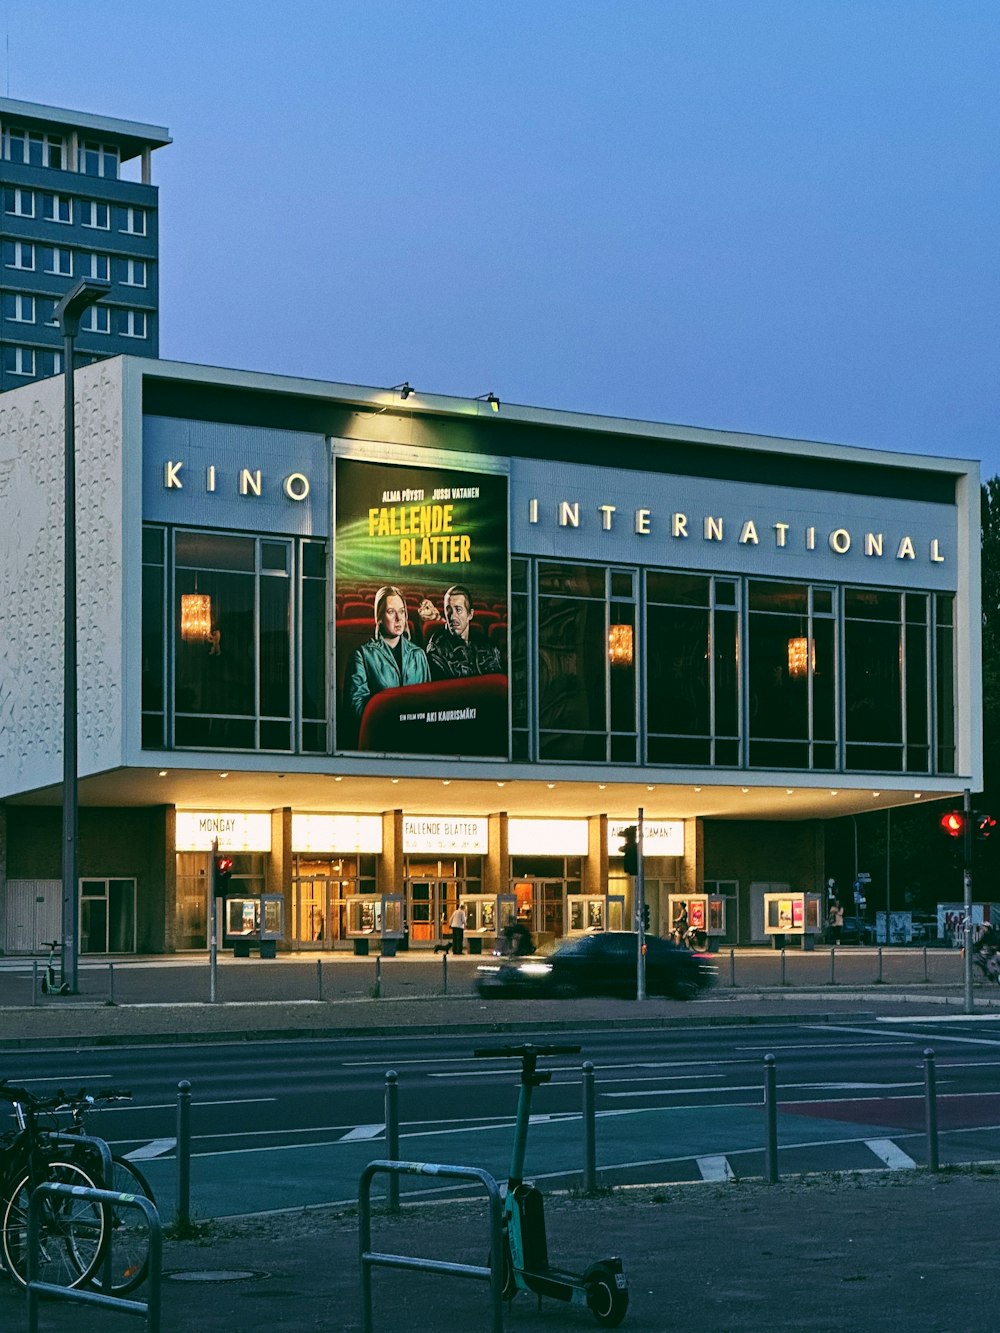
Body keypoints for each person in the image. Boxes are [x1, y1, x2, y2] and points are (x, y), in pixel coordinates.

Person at [345, 585, 430, 725]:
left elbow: (428, 702)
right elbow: (357, 707)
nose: (398, 618)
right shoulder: (362, 655)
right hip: (381, 734)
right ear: (379, 617)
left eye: (402, 612)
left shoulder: (419, 654)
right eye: (391, 612)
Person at [419, 584, 504, 680]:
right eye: (449, 610)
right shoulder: (436, 648)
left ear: (470, 614)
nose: (452, 617)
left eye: (458, 610)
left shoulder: (487, 645)